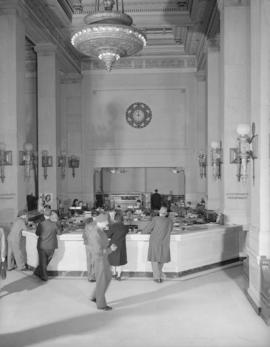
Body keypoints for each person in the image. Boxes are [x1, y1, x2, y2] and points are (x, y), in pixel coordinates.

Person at [87, 213, 117, 311]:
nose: (107, 224)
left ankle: (95, 296)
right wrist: (110, 249)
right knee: (102, 281)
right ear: (100, 222)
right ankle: (101, 304)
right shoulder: (95, 233)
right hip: (99, 260)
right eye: (106, 223)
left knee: (107, 277)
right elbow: (98, 251)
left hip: (103, 259)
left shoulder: (100, 230)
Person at [144, 206, 173, 283]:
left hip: (155, 242)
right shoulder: (170, 221)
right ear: (166, 213)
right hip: (165, 242)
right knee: (162, 259)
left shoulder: (155, 219)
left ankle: (157, 277)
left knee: (154, 259)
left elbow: (147, 229)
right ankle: (160, 274)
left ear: (159, 212)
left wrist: (142, 231)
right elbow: (171, 230)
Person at [34, 205, 59, 281]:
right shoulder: (54, 224)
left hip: (42, 246)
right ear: (51, 214)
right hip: (51, 246)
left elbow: (37, 233)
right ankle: (39, 273)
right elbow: (59, 232)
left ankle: (42, 275)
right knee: (45, 261)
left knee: (43, 262)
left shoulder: (41, 224)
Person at [107, 212, 129, 280]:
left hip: (113, 245)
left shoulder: (113, 226)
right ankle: (119, 275)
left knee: (113, 260)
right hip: (121, 246)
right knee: (120, 261)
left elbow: (108, 235)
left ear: (115, 219)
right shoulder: (125, 227)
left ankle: (114, 273)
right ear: (122, 219)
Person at [82, 218, 96, 282]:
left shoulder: (86, 227)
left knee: (89, 261)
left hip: (87, 246)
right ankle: (93, 276)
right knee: (94, 261)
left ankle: (89, 276)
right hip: (94, 245)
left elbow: (83, 236)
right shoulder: (95, 227)